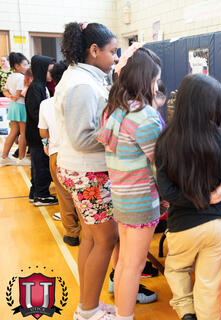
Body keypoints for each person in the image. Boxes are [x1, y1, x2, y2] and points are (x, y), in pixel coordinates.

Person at [155, 74, 221, 320]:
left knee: (176, 269)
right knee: (210, 283)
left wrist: (198, 198)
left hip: (182, 226)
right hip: (217, 225)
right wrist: (211, 196)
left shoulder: (165, 140)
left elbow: (167, 192)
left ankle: (186, 312)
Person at [54, 22, 118, 320]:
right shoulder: (82, 83)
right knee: (106, 240)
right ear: (94, 51)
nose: (115, 58)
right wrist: (122, 135)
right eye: (112, 52)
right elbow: (82, 137)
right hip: (87, 173)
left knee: (92, 239)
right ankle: (89, 310)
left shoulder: (83, 77)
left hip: (80, 171)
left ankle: (87, 304)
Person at [97, 46, 165, 320]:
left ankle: (123, 315)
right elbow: (161, 163)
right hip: (140, 201)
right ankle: (125, 316)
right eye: (155, 80)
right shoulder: (145, 117)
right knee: (133, 266)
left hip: (123, 196)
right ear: (144, 79)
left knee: (125, 263)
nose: (157, 85)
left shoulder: (115, 110)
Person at [38, 60, 81, 244]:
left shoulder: (46, 104)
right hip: (79, 153)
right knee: (82, 195)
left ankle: (72, 233)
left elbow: (43, 131)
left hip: (57, 155)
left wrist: (47, 144)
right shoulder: (79, 100)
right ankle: (88, 232)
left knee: (64, 196)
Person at [25, 55, 58, 206]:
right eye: (49, 70)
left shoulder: (40, 86)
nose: (51, 74)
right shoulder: (36, 87)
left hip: (36, 133)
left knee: (37, 166)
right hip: (36, 134)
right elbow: (35, 112)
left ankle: (35, 192)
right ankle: (41, 194)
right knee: (41, 166)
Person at [1, 52, 30, 166]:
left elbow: (5, 90)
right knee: (23, 133)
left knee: (13, 132)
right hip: (21, 106)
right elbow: (20, 93)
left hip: (13, 105)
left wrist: (10, 96)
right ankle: (21, 158)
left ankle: (4, 156)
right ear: (17, 66)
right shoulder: (21, 78)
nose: (27, 67)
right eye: (25, 65)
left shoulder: (11, 76)